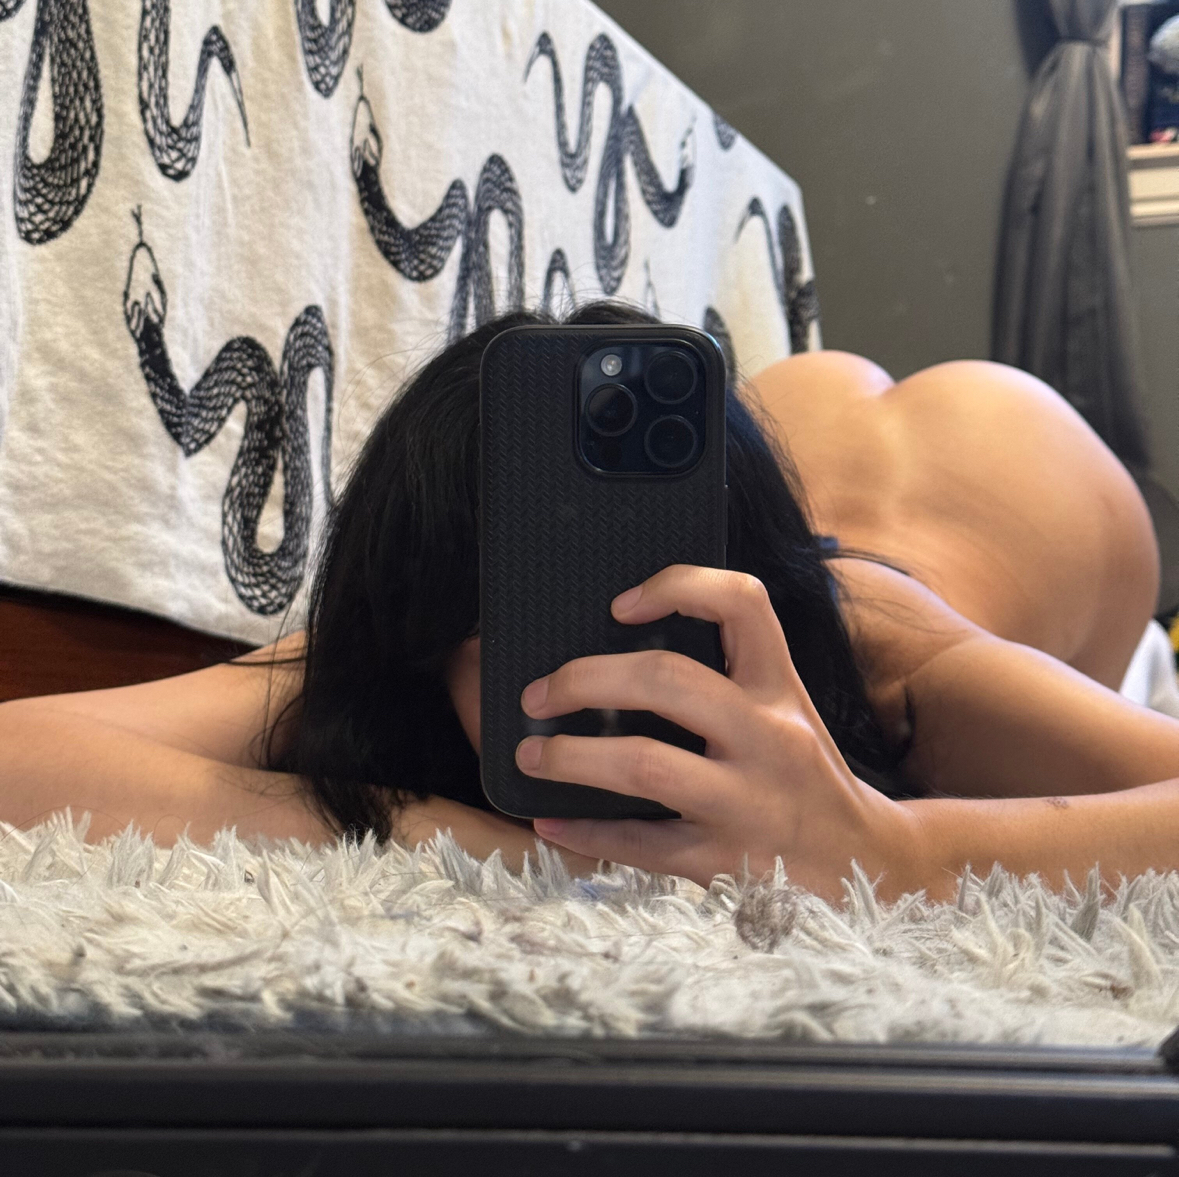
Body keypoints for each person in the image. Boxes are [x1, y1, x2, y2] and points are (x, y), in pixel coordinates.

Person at [1, 302, 1176, 907]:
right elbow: (21, 753)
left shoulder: (887, 652)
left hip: (1026, 481)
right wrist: (409, 823)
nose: (588, 666)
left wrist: (895, 846)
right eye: (505, 630)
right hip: (800, 438)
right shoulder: (439, 618)